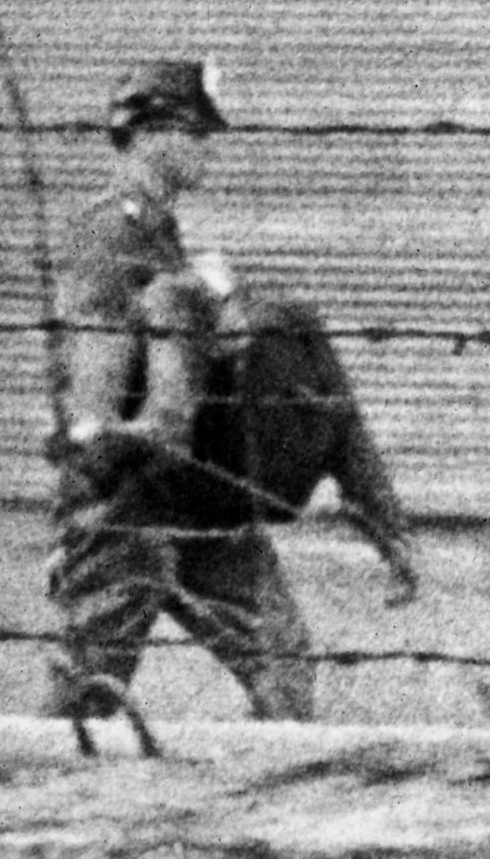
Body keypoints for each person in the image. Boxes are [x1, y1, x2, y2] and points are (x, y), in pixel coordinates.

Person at [44, 58, 418, 727]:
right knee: (86, 703)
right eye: (195, 132)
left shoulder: (159, 232)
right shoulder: (107, 230)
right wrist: (84, 495)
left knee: (284, 665)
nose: (206, 147)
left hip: (199, 494)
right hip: (129, 507)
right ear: (151, 132)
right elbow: (91, 376)